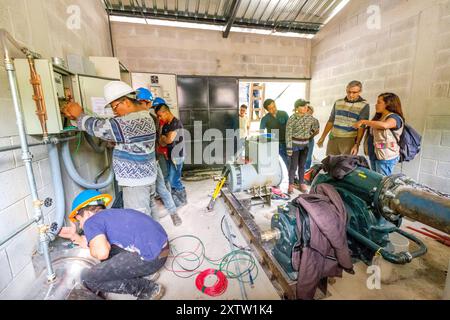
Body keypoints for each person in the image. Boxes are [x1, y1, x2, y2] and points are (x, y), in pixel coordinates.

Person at [63, 81, 157, 217]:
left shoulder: (129, 121)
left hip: (136, 185)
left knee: (138, 221)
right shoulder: (144, 116)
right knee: (150, 217)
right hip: (146, 178)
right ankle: (158, 238)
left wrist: (79, 115)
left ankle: (150, 239)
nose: (114, 112)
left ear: (126, 102)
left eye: (115, 107)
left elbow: (98, 127)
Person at [58, 190, 168, 300]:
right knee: (110, 249)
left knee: (89, 278)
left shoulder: (91, 221)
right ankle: (145, 274)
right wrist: (75, 236)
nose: (81, 226)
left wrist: (94, 249)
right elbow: (96, 243)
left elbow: (102, 253)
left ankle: (148, 289)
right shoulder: (110, 215)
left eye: (79, 221)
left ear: (86, 214)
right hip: (162, 250)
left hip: (152, 259)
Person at [136, 89, 182, 226]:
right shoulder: (155, 119)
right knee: (160, 186)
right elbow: (161, 139)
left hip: (152, 158)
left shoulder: (155, 119)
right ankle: (164, 216)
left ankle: (173, 212)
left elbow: (165, 140)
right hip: (150, 158)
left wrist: (162, 140)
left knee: (164, 185)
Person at [353, 93, 404, 176]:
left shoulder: (395, 118)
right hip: (375, 154)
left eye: (379, 102)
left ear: (388, 104)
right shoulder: (379, 118)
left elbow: (385, 125)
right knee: (376, 180)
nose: (376, 105)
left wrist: (363, 121)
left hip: (385, 156)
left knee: (382, 182)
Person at [317, 81, 370, 156]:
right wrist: (323, 137)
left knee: (345, 165)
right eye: (349, 92)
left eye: (354, 92)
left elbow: (362, 127)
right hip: (333, 138)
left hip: (349, 140)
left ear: (360, 91)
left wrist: (357, 144)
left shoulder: (364, 105)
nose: (351, 95)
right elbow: (331, 121)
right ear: (346, 89)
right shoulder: (338, 102)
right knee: (330, 163)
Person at [155, 103, 187, 207]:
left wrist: (165, 138)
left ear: (166, 112)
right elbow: (161, 141)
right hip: (169, 155)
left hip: (177, 156)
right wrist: (164, 139)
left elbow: (168, 140)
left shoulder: (176, 123)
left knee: (175, 179)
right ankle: (176, 200)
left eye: (160, 115)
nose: (159, 118)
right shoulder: (166, 125)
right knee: (169, 179)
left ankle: (183, 200)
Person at [286, 99, 320, 194]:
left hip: (305, 146)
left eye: (306, 106)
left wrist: (309, 134)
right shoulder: (292, 118)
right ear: (297, 108)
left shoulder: (309, 118)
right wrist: (289, 148)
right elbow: (288, 134)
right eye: (303, 106)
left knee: (302, 166)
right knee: (293, 166)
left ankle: (301, 183)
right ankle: (291, 184)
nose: (305, 108)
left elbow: (316, 125)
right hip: (294, 146)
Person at [260, 99, 290, 169]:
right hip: (274, 144)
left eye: (274, 106)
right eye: (270, 108)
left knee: (289, 161)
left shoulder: (284, 114)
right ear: (267, 110)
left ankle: (292, 176)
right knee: (274, 164)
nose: (274, 109)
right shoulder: (265, 119)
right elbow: (261, 132)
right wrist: (271, 136)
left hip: (286, 143)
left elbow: (290, 127)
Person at [305, 105, 316, 171]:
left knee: (308, 158)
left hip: (309, 141)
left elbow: (316, 131)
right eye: (307, 111)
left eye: (310, 112)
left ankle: (307, 171)